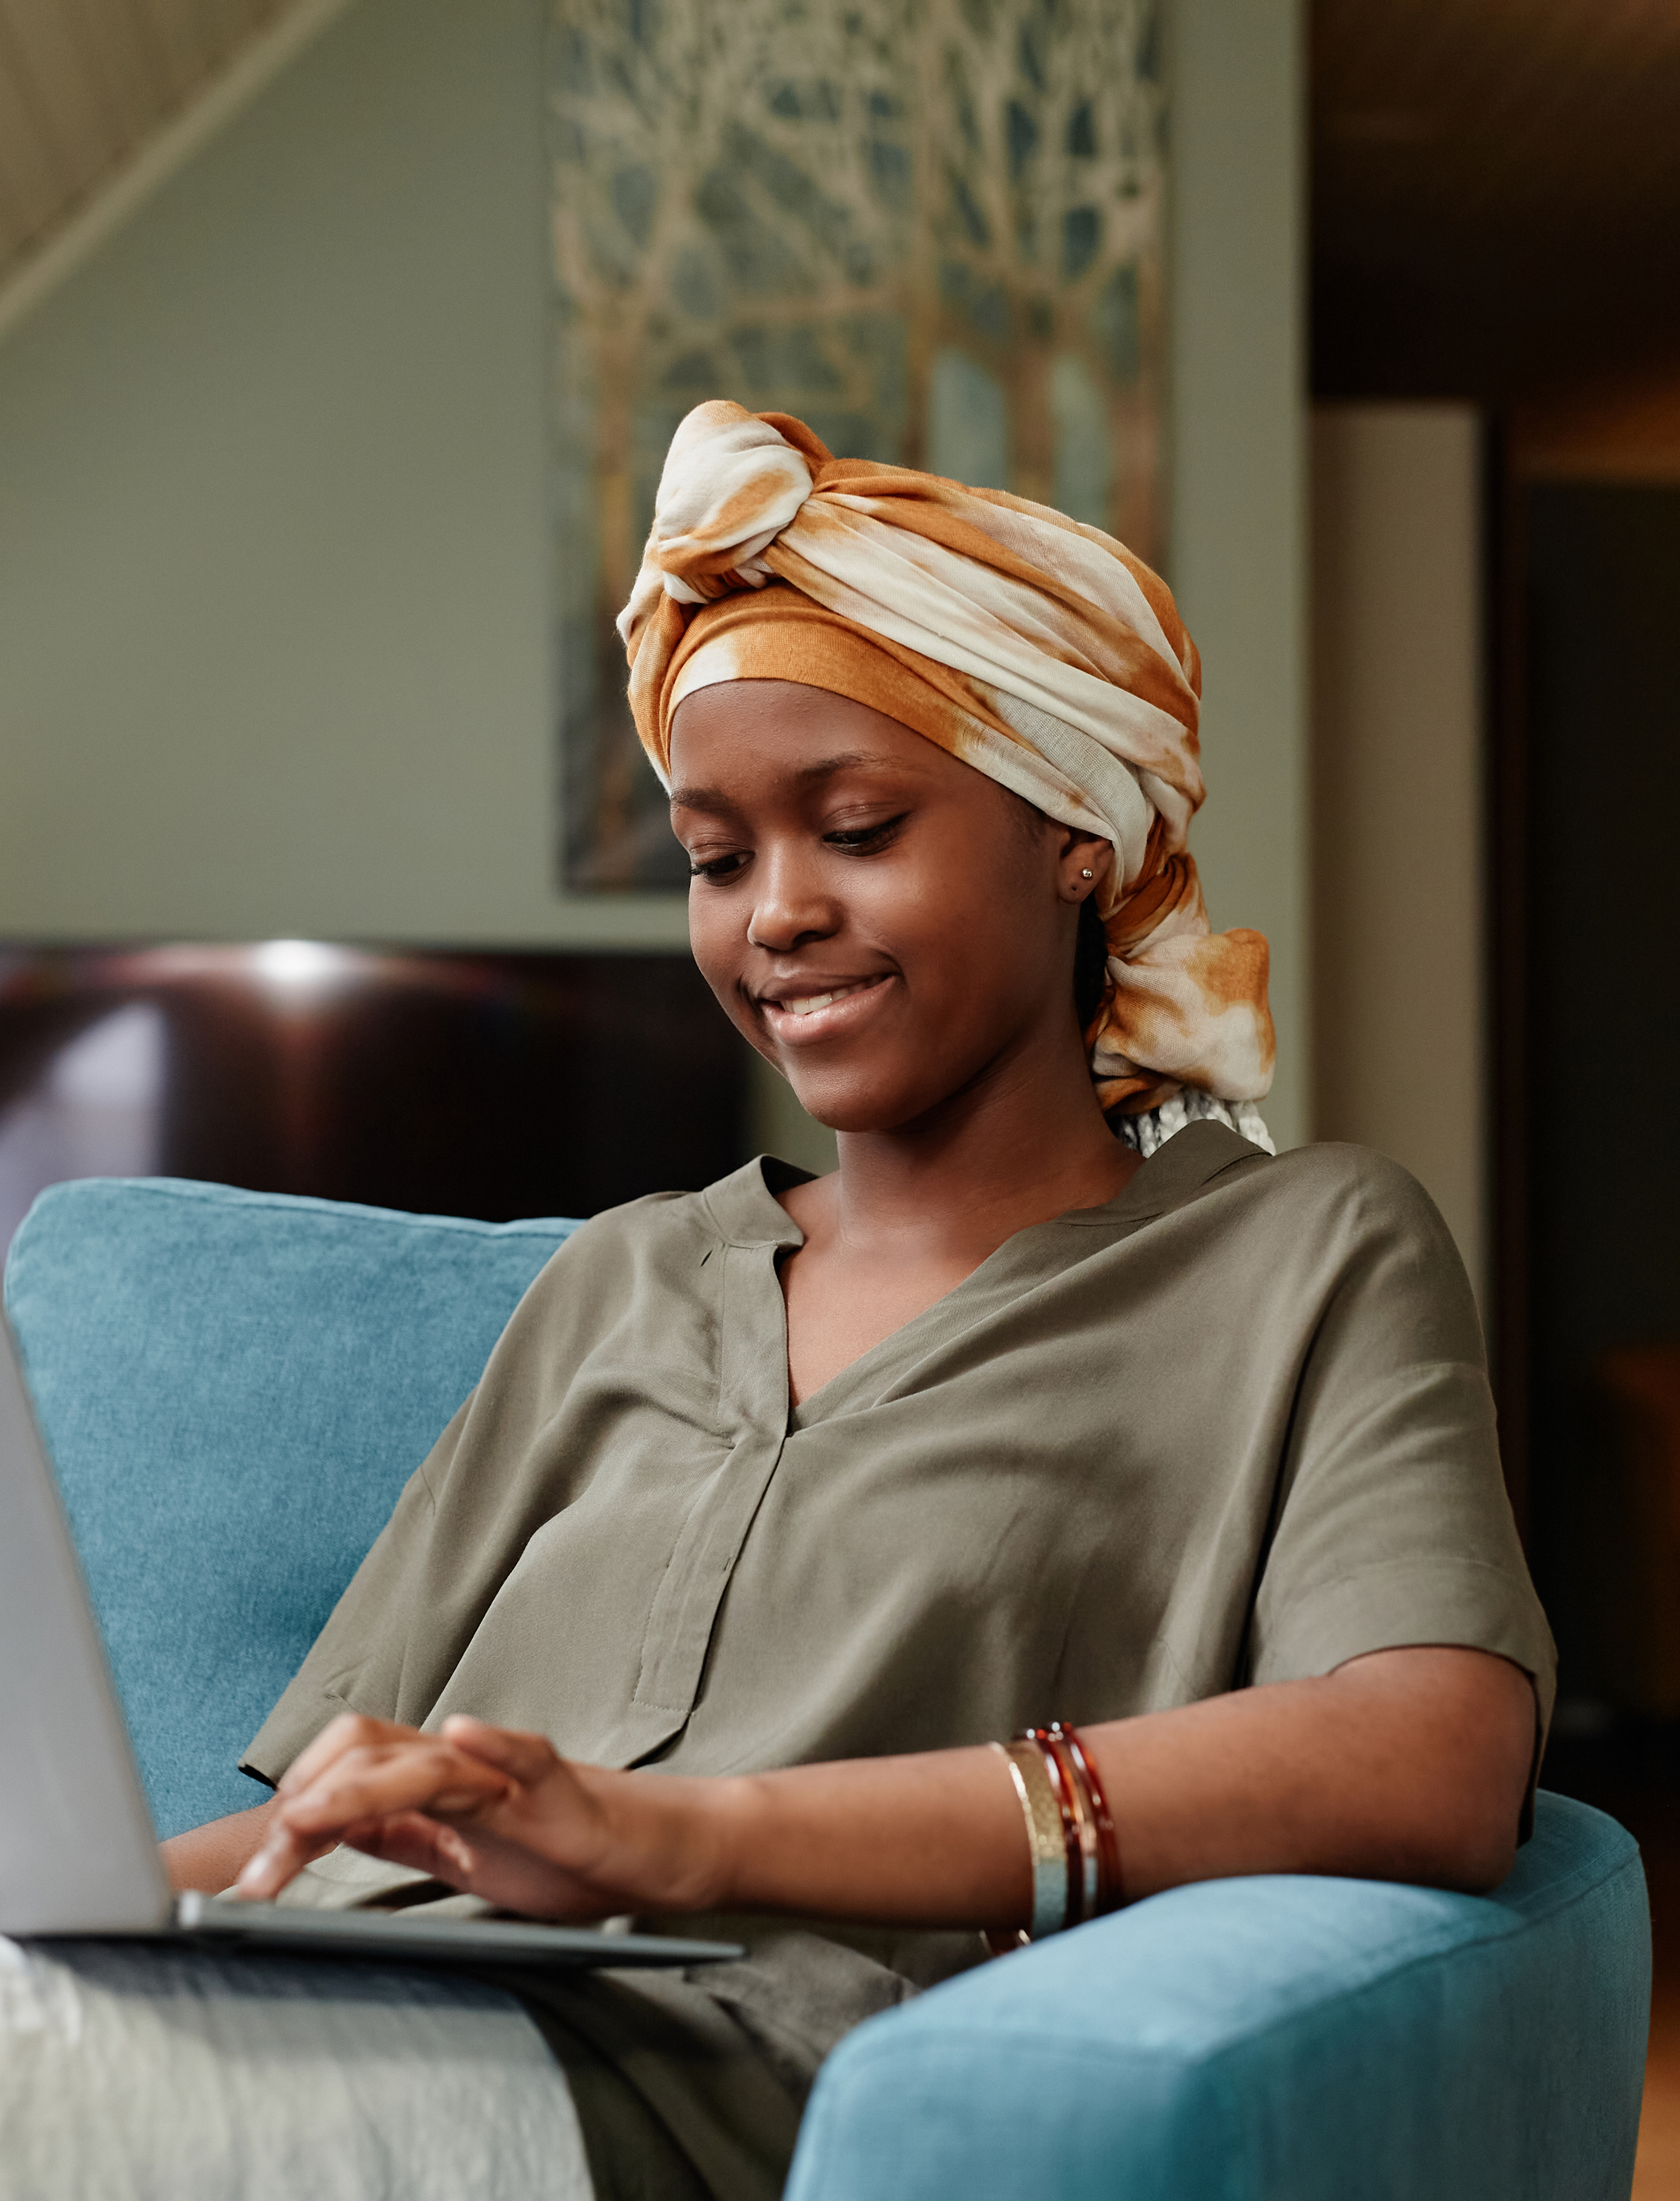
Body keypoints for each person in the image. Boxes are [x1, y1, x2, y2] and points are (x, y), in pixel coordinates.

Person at [153, 401, 1554, 2201]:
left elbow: (1431, 1758)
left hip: (650, 2093)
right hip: (306, 1997)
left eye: (860, 826)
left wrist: (673, 1835)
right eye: (719, 859)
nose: (777, 916)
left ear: (1080, 836)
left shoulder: (1309, 1258)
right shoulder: (626, 1277)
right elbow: (310, 1829)